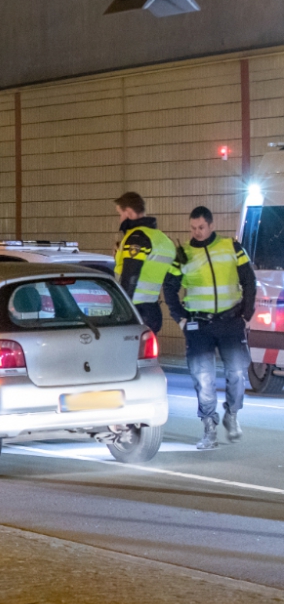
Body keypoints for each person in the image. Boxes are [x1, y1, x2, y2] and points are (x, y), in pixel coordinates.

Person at [163, 206, 256, 450]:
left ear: (211, 226)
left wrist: (247, 314)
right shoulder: (183, 253)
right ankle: (209, 426)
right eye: (193, 228)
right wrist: (181, 319)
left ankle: (232, 414)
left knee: (237, 372)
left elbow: (249, 279)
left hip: (231, 321)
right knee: (203, 378)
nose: (197, 232)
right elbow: (169, 288)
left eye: (201, 227)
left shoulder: (231, 247)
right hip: (199, 325)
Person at [114, 192, 176, 333]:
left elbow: (130, 277)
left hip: (136, 312)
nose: (120, 219)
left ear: (129, 212)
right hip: (153, 310)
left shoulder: (136, 237)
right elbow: (172, 280)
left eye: (120, 214)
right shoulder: (164, 240)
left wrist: (122, 312)